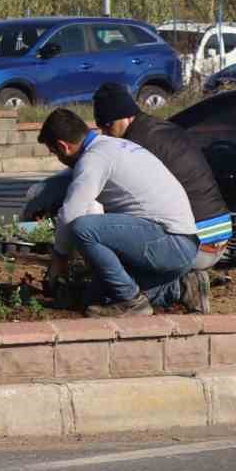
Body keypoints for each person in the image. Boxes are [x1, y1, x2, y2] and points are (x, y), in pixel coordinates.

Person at [36, 108, 200, 317]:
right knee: (97, 298)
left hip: (170, 242)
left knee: (83, 228)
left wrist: (59, 260)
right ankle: (181, 287)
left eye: (54, 152)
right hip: (181, 243)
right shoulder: (113, 145)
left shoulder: (94, 159)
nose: (57, 157)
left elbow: (71, 214)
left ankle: (130, 302)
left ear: (63, 146)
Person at [92, 83, 231, 313]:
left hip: (196, 244)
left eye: (107, 126)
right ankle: (184, 278)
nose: (105, 134)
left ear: (123, 117)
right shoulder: (161, 129)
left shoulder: (133, 146)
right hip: (219, 237)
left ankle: (181, 286)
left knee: (118, 285)